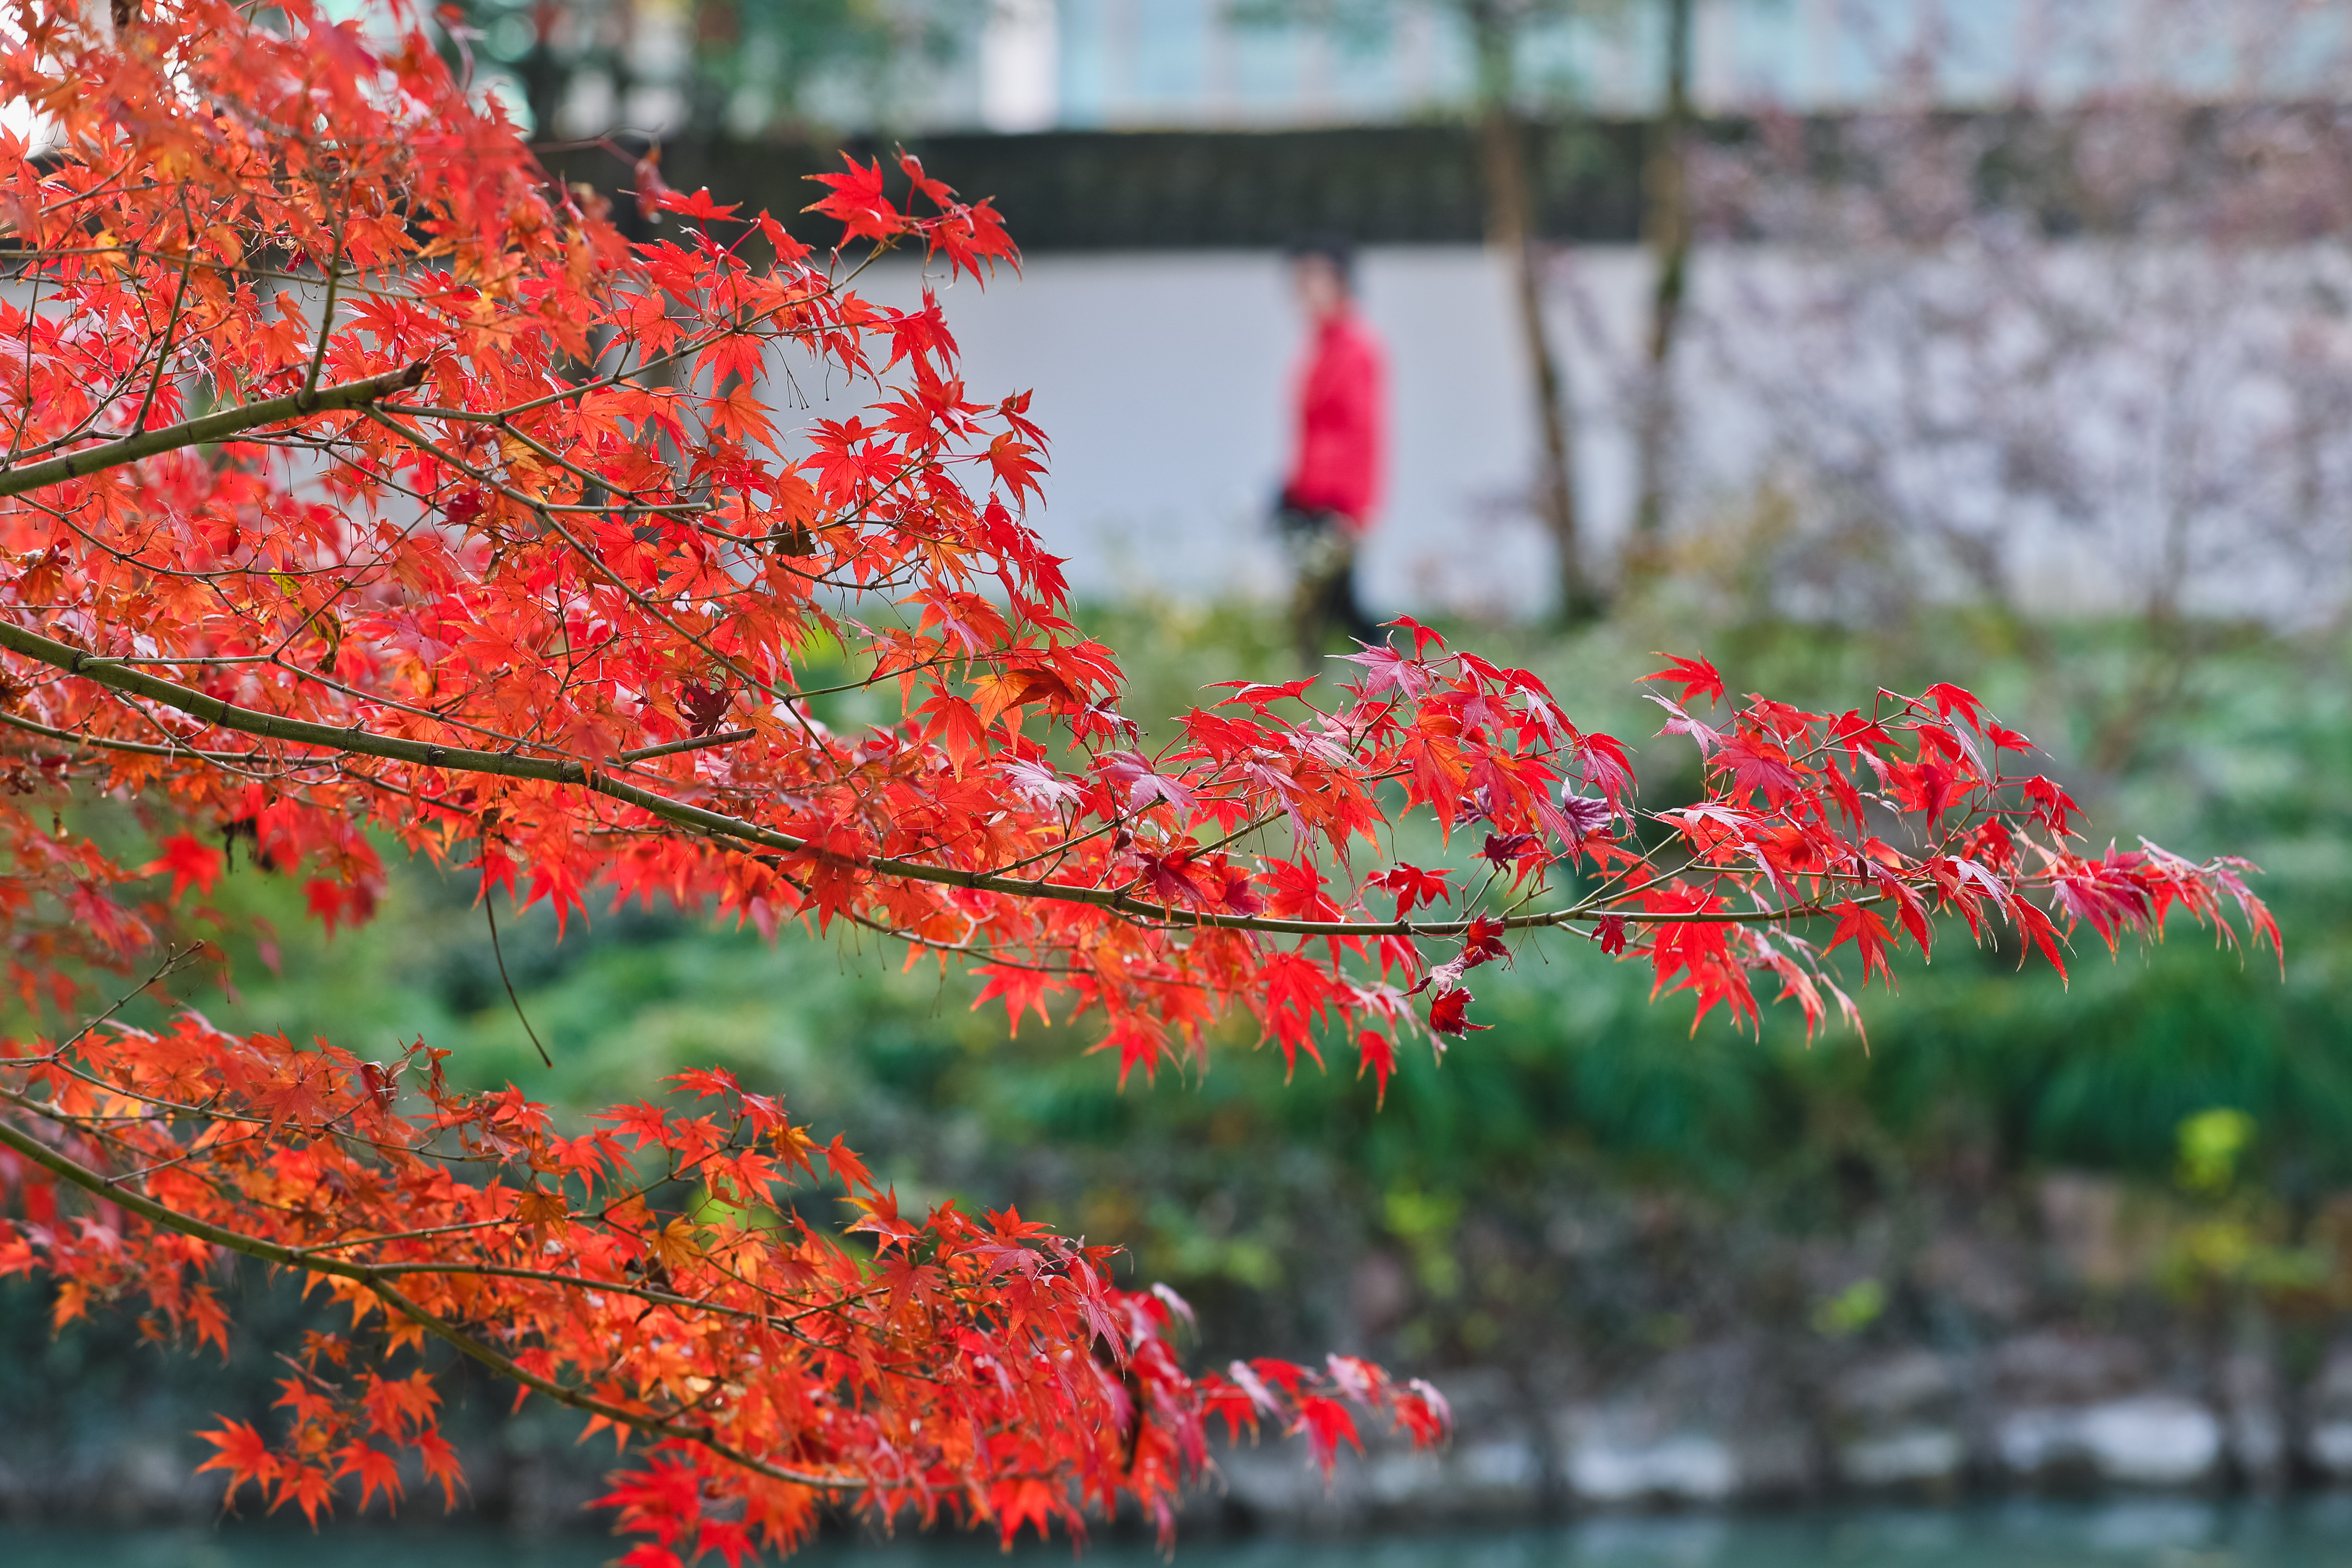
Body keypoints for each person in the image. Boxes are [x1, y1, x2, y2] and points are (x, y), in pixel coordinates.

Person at [1275, 236, 1386, 670]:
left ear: (1339, 280)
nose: (1302, 287)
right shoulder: (1320, 344)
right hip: (1309, 496)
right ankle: (1314, 687)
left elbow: (1364, 433)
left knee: (1337, 605)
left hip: (1336, 502)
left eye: (1312, 276)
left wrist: (1357, 511)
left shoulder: (1355, 347)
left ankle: (1394, 681)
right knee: (1322, 604)